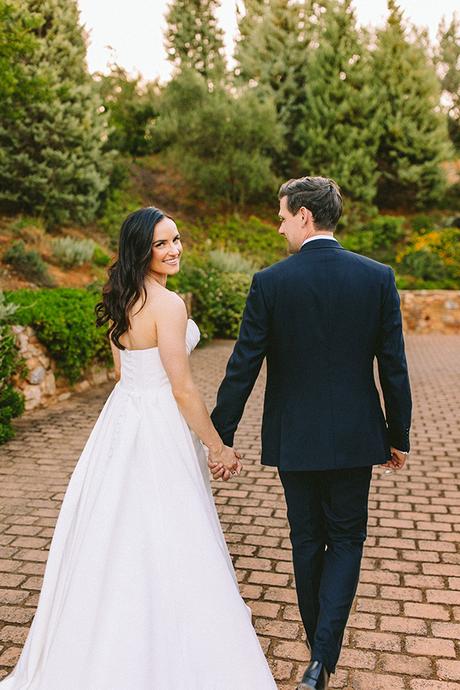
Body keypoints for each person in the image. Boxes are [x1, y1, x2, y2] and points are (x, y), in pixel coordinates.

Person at [0, 207, 277, 690]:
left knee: (117, 523)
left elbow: (120, 373)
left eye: (176, 239)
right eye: (161, 244)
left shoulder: (119, 295)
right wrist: (218, 447)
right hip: (159, 424)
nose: (174, 250)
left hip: (122, 419)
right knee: (170, 524)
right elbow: (183, 389)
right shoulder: (169, 306)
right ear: (141, 251)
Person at [210, 177, 412, 690]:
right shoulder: (377, 277)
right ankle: (322, 659)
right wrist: (398, 433)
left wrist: (219, 435)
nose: (279, 227)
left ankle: (318, 656)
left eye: (281, 216)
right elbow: (394, 366)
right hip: (354, 438)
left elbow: (242, 367)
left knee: (305, 539)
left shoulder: (271, 282)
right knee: (346, 539)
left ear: (304, 216)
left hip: (294, 438)